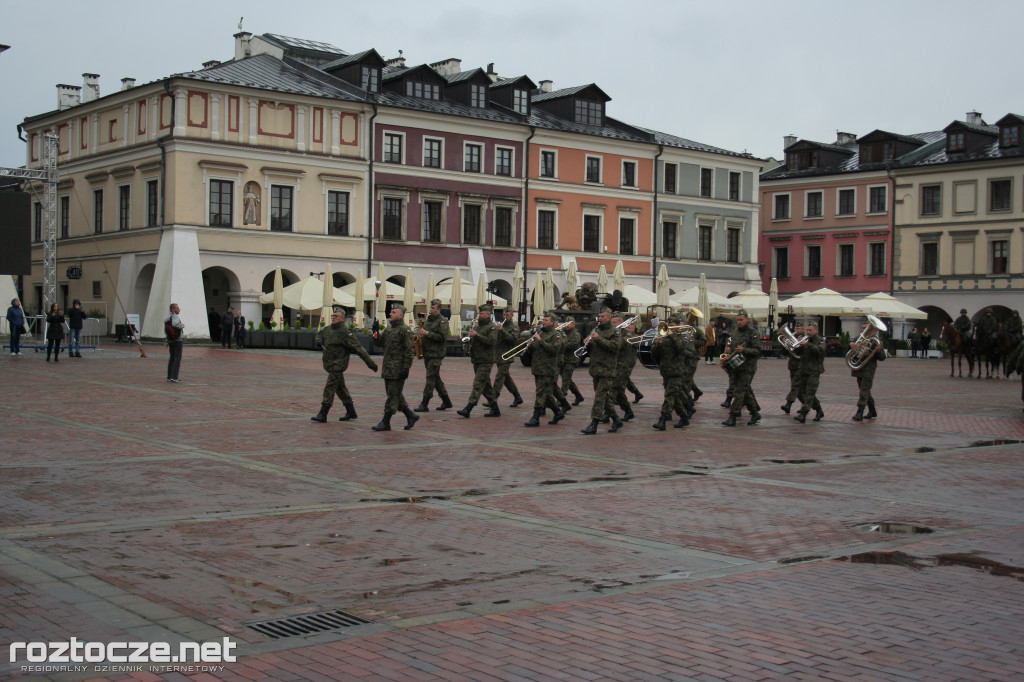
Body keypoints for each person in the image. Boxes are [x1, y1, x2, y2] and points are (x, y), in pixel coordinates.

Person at [311, 307, 378, 423]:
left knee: (330, 388)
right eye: (332, 316)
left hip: (338, 365)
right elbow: (319, 334)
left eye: (336, 316)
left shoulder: (346, 333)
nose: (333, 318)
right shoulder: (327, 329)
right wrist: (318, 340)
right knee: (340, 389)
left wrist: (370, 364)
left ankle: (323, 413)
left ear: (342, 319)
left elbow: (359, 349)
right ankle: (351, 411)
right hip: (329, 364)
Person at [371, 305, 417, 431]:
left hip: (398, 369)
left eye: (393, 312)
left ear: (400, 315)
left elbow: (409, 351)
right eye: (390, 312)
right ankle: (410, 415)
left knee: (392, 396)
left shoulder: (404, 330)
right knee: (395, 394)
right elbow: (379, 343)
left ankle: (386, 421)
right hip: (388, 368)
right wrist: (375, 331)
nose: (390, 314)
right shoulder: (389, 330)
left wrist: (406, 368)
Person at [581, 308, 625, 435]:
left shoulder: (615, 332)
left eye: (603, 316)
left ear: (609, 318)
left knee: (599, 397)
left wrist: (598, 339)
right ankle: (616, 419)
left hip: (607, 369)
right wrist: (588, 343)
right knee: (603, 397)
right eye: (599, 316)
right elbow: (593, 349)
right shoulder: (596, 329)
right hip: (596, 369)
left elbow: (615, 347)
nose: (600, 319)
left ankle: (594, 424)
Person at [652, 314, 697, 430]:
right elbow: (655, 354)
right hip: (666, 371)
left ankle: (662, 420)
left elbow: (682, 349)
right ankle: (684, 417)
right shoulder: (665, 337)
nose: (669, 328)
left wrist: (673, 336)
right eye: (669, 326)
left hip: (677, 372)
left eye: (672, 326)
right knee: (675, 397)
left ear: (677, 326)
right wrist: (658, 344)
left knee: (669, 396)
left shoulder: (683, 336)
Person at [457, 304, 500, 418]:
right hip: (477, 359)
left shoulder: (492, 327)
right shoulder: (477, 326)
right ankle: (495, 408)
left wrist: (478, 335)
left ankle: (468, 408)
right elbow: (476, 340)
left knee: (478, 384)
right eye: (479, 313)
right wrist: (469, 341)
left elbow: (491, 342)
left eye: (481, 313)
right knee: (485, 386)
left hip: (486, 360)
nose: (479, 315)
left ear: (488, 314)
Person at [524, 312, 567, 426]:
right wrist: (530, 346)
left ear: (552, 322)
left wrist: (540, 341)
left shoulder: (556, 334)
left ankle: (535, 417)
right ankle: (557, 412)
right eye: (543, 320)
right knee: (547, 393)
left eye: (546, 320)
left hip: (548, 368)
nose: (543, 322)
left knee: (540, 393)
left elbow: (554, 350)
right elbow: (535, 350)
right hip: (538, 367)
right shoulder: (541, 333)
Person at [722, 309, 761, 427]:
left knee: (739, 392)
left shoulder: (753, 333)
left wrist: (745, 350)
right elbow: (733, 348)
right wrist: (729, 354)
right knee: (745, 391)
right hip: (735, 366)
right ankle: (755, 413)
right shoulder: (735, 333)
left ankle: (732, 416)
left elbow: (757, 351)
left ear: (747, 319)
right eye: (737, 320)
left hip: (748, 367)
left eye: (741, 320)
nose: (739, 322)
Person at [413, 299, 453, 412]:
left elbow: (442, 337)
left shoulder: (442, 321)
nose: (431, 310)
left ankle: (424, 403)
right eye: (430, 308)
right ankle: (446, 401)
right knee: (435, 378)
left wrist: (427, 333)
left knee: (430, 378)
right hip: (428, 352)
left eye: (433, 308)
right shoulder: (428, 320)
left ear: (439, 309)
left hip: (436, 353)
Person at [851, 320, 886, 421]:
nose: (864, 330)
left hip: (869, 369)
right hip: (859, 367)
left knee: (864, 391)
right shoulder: (858, 338)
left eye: (867, 328)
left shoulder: (876, 341)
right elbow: (852, 354)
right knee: (865, 391)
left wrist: (879, 351)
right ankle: (872, 410)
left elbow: (882, 357)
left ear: (874, 330)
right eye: (863, 328)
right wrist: (851, 346)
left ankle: (860, 412)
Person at [793, 320, 825, 423]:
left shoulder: (820, 341)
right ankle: (819, 410)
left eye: (810, 330)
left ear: (816, 330)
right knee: (804, 393)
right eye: (807, 330)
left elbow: (819, 351)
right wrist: (797, 344)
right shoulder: (805, 340)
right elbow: (796, 352)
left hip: (814, 371)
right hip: (803, 370)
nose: (808, 332)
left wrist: (807, 344)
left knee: (810, 392)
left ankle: (803, 414)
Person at [493, 309, 525, 408]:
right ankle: (517, 397)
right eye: (504, 315)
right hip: (499, 355)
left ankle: (492, 399)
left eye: (507, 315)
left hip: (507, 355)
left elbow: (513, 339)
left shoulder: (514, 327)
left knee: (499, 377)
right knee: (506, 379)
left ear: (512, 316)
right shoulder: (501, 325)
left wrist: (502, 331)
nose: (505, 317)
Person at [610, 314, 638, 422]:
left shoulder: (629, 334)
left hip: (624, 366)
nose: (612, 324)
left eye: (615, 322)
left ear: (621, 323)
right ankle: (628, 411)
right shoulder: (613, 333)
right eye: (611, 322)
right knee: (619, 391)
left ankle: (607, 413)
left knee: (613, 389)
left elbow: (621, 344)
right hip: (614, 365)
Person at [558, 317, 585, 406]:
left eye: (569, 324)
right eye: (566, 323)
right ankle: (578, 396)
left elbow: (570, 346)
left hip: (571, 360)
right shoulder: (562, 332)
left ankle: (561, 399)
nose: (567, 325)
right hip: (563, 360)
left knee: (565, 379)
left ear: (573, 324)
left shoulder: (576, 335)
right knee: (567, 380)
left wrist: (559, 344)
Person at [780, 323, 804, 414]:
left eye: (798, 328)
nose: (796, 330)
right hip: (792, 365)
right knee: (799, 389)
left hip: (801, 366)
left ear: (803, 329)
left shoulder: (805, 338)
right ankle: (806, 405)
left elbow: (804, 351)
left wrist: (800, 343)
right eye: (795, 328)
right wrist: (784, 344)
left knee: (795, 386)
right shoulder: (792, 338)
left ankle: (788, 405)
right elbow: (785, 353)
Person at [165, 303, 184, 382]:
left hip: (170, 340)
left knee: (172, 358)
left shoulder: (167, 318)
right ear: (173, 309)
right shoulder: (175, 316)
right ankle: (174, 377)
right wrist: (182, 325)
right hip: (177, 340)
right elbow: (175, 324)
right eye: (177, 308)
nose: (179, 309)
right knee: (177, 358)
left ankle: (169, 376)